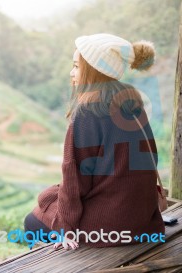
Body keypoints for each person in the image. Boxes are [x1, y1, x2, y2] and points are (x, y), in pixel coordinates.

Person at [24, 33, 165, 251]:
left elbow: (74, 177)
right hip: (142, 221)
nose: (72, 73)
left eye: (76, 66)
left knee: (33, 220)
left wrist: (66, 229)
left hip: (110, 227)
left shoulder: (89, 111)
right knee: (51, 195)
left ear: (94, 71)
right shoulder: (131, 103)